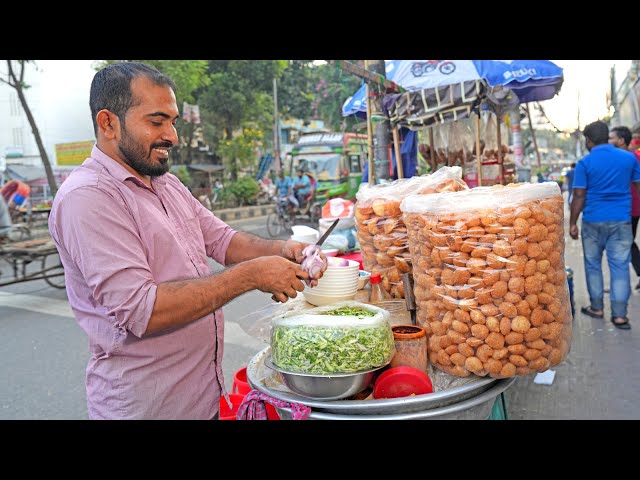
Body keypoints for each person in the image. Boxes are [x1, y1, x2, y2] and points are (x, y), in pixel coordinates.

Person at [47, 62, 326, 420]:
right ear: (108, 123)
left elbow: (223, 241)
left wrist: (285, 250)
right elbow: (141, 311)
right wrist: (251, 275)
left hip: (201, 400)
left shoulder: (166, 184)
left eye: (173, 122)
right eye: (156, 121)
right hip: (146, 408)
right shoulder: (89, 197)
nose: (172, 136)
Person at [569, 121, 640, 330]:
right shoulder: (628, 158)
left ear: (589, 141)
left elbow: (579, 195)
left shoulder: (585, 163)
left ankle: (597, 308)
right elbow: (638, 186)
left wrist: (573, 223)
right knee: (619, 266)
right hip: (621, 221)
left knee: (592, 265)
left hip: (593, 221)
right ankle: (620, 316)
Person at [609, 126, 640, 289]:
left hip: (627, 209)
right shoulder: (634, 156)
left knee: (623, 244)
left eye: (611, 138)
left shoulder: (625, 158)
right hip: (631, 208)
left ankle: (619, 285)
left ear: (621, 141)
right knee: (627, 242)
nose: (608, 141)